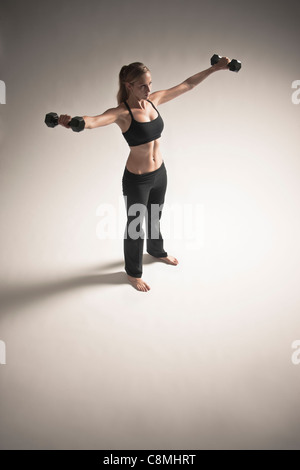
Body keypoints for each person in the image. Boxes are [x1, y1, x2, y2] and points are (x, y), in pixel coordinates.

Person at [58, 56, 230, 292]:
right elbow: (94, 120)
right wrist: (73, 122)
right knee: (135, 226)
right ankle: (132, 273)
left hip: (160, 173)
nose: (149, 90)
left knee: (154, 217)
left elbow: (187, 84)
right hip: (137, 179)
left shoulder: (154, 100)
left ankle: (157, 251)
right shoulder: (122, 113)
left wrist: (215, 68)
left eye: (150, 84)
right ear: (128, 86)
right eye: (143, 86)